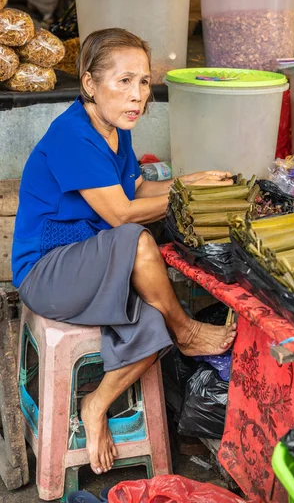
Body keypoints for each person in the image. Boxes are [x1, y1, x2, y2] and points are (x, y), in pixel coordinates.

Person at [12, 28, 237, 477]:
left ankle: (96, 405)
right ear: (89, 84)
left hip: (93, 265)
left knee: (152, 323)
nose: (138, 96)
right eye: (124, 81)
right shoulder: (73, 135)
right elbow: (121, 214)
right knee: (138, 240)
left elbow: (135, 187)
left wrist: (190, 182)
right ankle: (187, 329)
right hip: (48, 275)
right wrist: (181, 200)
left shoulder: (115, 129)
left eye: (144, 82)